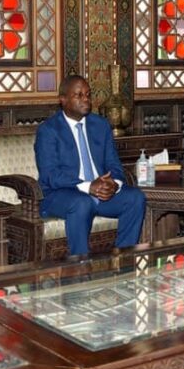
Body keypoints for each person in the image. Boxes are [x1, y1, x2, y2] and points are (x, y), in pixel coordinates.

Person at [34, 75, 146, 255]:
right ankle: (80, 265)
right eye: (78, 95)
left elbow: (114, 164)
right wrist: (88, 186)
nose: (85, 99)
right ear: (63, 99)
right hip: (60, 194)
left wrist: (114, 184)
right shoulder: (48, 130)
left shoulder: (101, 125)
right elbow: (50, 175)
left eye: (88, 94)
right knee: (82, 202)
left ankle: (123, 260)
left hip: (99, 193)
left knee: (135, 198)